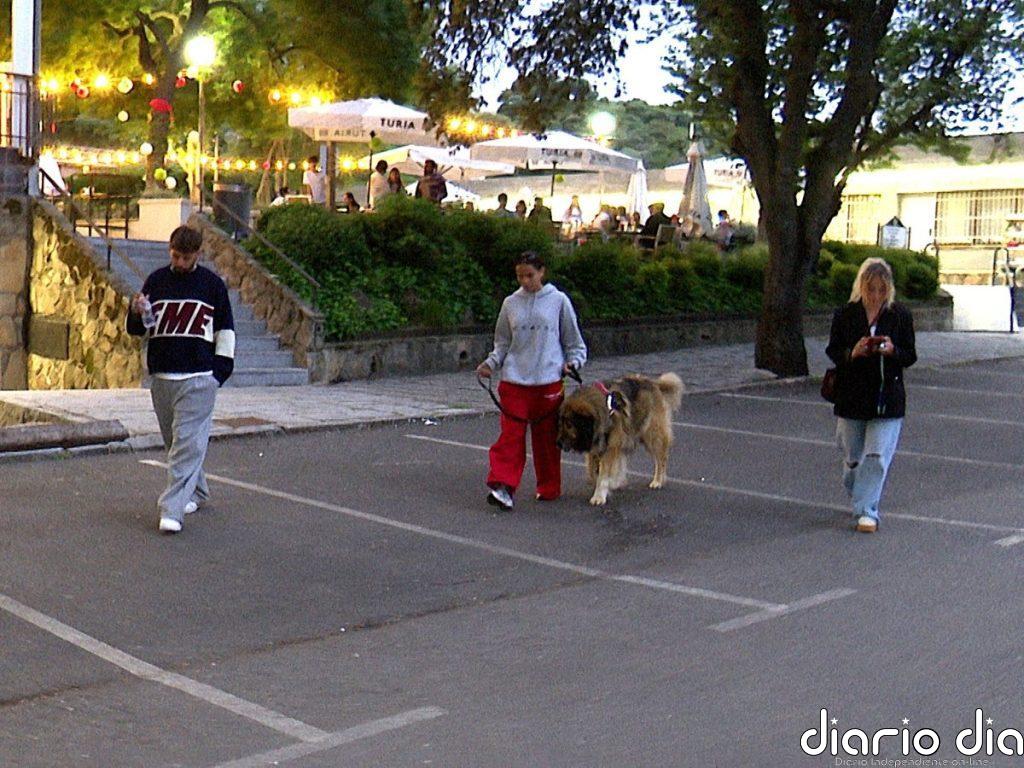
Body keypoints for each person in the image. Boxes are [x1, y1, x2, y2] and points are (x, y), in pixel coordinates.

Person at [126, 226, 235, 534]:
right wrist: (136, 312)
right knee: (176, 442)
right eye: (176, 256)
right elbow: (140, 328)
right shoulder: (157, 281)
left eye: (186, 257)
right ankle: (197, 491)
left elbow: (225, 330)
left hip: (199, 376)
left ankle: (171, 509)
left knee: (186, 444)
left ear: (197, 255)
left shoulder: (212, 286)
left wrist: (219, 373)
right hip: (162, 375)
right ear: (170, 250)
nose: (181, 263)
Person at [476, 251, 587, 510]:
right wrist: (490, 364)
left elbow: (574, 343)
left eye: (530, 275)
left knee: (547, 439)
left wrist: (574, 363)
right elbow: (502, 343)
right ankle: (503, 485)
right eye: (520, 276)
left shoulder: (559, 301)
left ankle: (548, 487)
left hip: (548, 381)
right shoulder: (510, 303)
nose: (525, 281)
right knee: (510, 437)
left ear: (541, 272)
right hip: (514, 381)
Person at [825, 257, 917, 534]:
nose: (876, 295)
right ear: (861, 287)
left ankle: (867, 512)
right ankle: (858, 491)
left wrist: (892, 350)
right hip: (852, 395)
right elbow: (833, 350)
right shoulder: (846, 314)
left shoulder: (900, 315)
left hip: (887, 397)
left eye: (881, 289)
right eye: (871, 289)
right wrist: (852, 352)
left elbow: (910, 355)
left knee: (876, 456)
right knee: (852, 457)